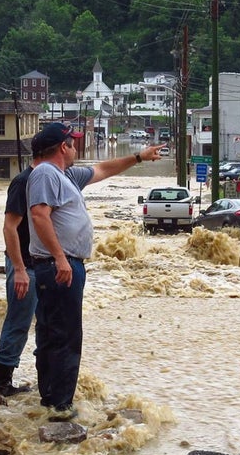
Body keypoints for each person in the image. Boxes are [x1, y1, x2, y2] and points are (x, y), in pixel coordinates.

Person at [27, 123, 163, 419]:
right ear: (63, 147)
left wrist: (138, 157)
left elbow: (103, 169)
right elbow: (39, 215)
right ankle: (60, 407)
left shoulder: (66, 176)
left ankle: (51, 401)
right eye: (72, 143)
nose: (76, 147)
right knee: (65, 336)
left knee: (54, 334)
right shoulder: (45, 173)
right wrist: (61, 258)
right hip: (59, 267)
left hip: (63, 265)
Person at [0, 149, 48, 397]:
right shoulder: (23, 181)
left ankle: (45, 381)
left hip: (44, 265)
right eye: (68, 145)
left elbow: (97, 172)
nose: (72, 150)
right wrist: (20, 268)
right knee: (18, 322)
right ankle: (3, 382)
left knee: (45, 325)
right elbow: (9, 227)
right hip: (25, 265)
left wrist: (137, 158)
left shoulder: (53, 179)